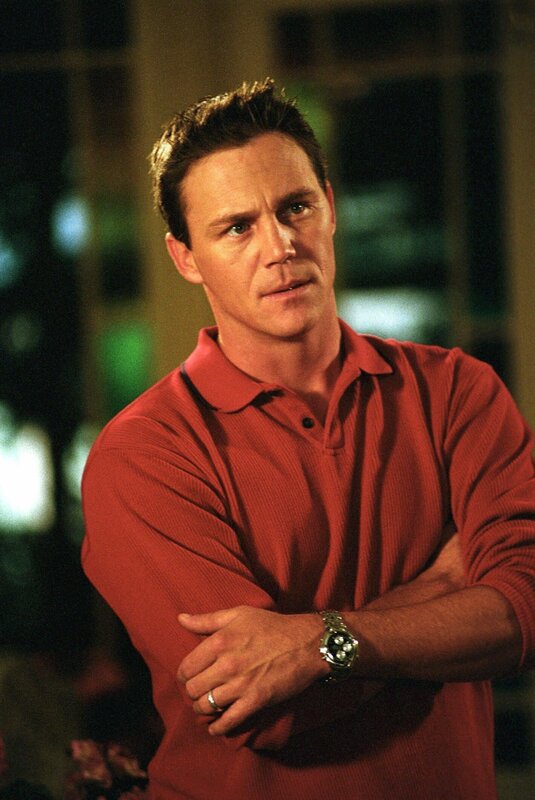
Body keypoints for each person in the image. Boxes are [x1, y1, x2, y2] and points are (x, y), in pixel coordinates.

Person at [81, 78, 535, 800]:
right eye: (237, 227)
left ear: (330, 207)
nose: (281, 245)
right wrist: (448, 586)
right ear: (186, 258)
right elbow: (261, 707)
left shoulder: (457, 391)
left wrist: (311, 644)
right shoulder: (143, 455)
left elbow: (526, 613)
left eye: (295, 207)